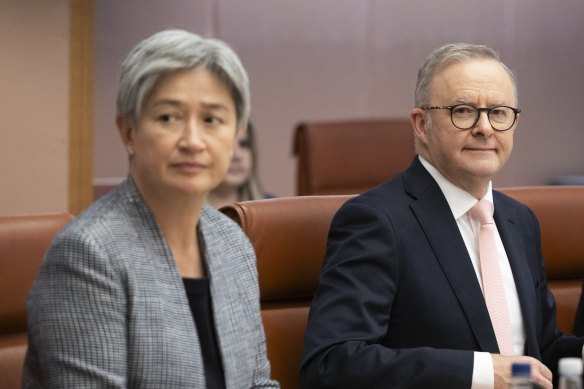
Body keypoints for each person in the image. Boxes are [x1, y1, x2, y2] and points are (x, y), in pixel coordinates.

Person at [300, 43, 584, 389]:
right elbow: (331, 364)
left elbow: (541, 350)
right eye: (463, 111)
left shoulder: (519, 220)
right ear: (421, 124)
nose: (485, 128)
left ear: (514, 123)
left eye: (498, 112)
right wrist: (479, 373)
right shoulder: (376, 221)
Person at [23, 29, 279, 388]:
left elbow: (257, 383)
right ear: (128, 131)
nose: (192, 141)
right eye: (168, 118)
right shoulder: (88, 254)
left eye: (211, 120)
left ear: (236, 132)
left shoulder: (232, 243)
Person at [207, 120, 272, 209]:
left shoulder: (272, 206)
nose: (236, 155)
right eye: (226, 145)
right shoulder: (185, 214)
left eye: (244, 144)